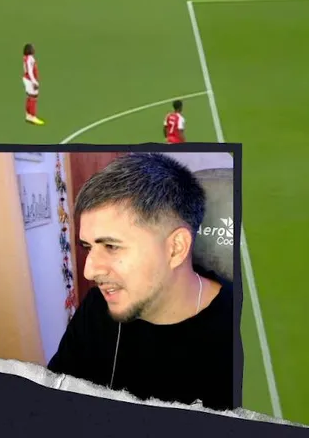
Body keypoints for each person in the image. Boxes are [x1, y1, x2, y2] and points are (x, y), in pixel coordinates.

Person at [48, 153, 233, 410]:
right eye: (88, 247)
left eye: (111, 246)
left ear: (176, 248)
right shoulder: (96, 307)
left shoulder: (237, 332)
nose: (89, 272)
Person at [23, 43, 44, 125]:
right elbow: (30, 71)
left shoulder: (26, 58)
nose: (34, 49)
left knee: (29, 97)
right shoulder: (29, 59)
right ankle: (32, 116)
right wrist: (34, 81)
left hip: (27, 79)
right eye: (32, 48)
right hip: (30, 80)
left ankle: (28, 115)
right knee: (33, 98)